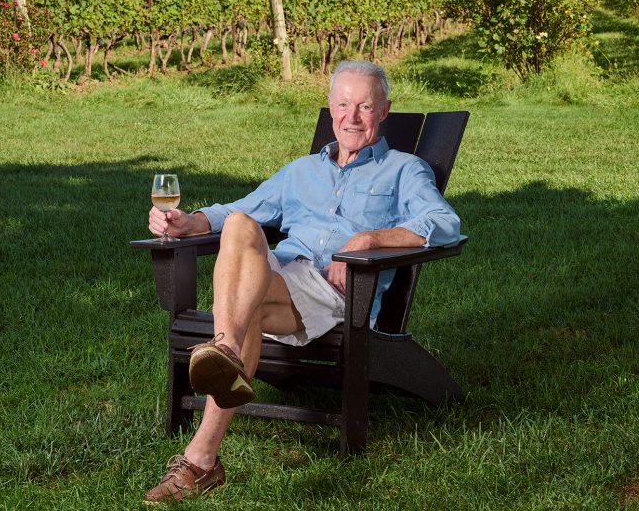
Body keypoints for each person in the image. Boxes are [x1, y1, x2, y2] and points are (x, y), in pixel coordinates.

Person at [142, 60, 460, 504]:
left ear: (384, 110)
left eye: (364, 106)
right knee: (238, 223)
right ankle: (223, 367)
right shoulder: (300, 171)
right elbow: (235, 209)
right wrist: (184, 222)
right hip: (279, 276)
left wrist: (367, 239)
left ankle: (201, 453)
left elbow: (444, 222)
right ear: (330, 108)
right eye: (344, 105)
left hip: (332, 291)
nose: (352, 117)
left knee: (241, 305)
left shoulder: (405, 170)